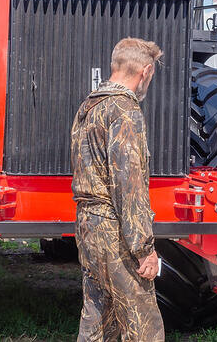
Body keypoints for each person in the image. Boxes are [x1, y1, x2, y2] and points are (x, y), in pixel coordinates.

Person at [70, 37, 165, 342]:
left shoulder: (88, 106)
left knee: (98, 316)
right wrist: (143, 248)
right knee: (143, 325)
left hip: (87, 223)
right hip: (114, 230)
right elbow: (129, 183)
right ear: (146, 71)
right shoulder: (124, 109)